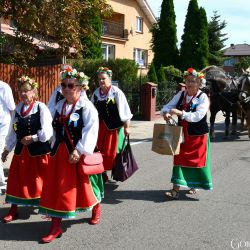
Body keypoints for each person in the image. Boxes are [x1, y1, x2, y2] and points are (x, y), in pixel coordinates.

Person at [39, 66, 104, 244]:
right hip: (58, 153)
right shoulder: (58, 106)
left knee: (86, 187)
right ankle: (55, 225)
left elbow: (91, 130)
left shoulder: (87, 107)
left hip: (76, 154)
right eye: (64, 85)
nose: (66, 89)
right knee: (55, 188)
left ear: (80, 88)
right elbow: (48, 126)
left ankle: (96, 208)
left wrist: (80, 150)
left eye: (71, 85)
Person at [1, 76, 53, 222]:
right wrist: (6, 149)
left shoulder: (41, 107)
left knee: (41, 181)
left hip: (39, 152)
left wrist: (34, 137)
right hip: (20, 152)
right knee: (16, 180)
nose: (23, 94)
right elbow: (13, 131)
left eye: (26, 91)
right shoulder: (18, 109)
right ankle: (14, 209)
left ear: (33, 92)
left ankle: (48, 207)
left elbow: (48, 131)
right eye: (21, 91)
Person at [161, 67, 213, 199]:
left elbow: (198, 116)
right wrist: (166, 113)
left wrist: (181, 113)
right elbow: (168, 106)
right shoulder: (181, 94)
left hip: (198, 136)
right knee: (178, 159)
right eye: (188, 81)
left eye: (193, 81)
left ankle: (193, 185)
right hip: (181, 135)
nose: (189, 84)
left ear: (199, 83)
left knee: (196, 162)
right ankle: (175, 190)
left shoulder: (203, 97)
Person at [91, 67, 133, 182]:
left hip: (114, 128)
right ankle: (101, 174)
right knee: (98, 151)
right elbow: (91, 110)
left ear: (110, 78)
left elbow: (125, 111)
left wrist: (127, 127)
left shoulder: (116, 92)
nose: (101, 81)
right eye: (99, 79)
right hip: (100, 128)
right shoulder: (96, 93)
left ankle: (117, 172)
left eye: (103, 78)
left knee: (113, 153)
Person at [0, 80, 15, 195]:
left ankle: (2, 184)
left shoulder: (4, 87)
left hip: (2, 125)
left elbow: (11, 107)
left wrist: (12, 129)